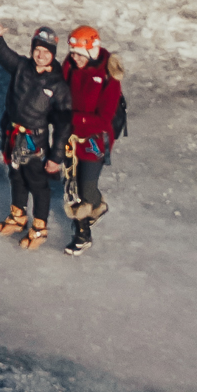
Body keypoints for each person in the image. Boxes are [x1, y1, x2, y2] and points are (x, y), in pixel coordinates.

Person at [0, 20, 74, 250]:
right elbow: (5, 56)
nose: (40, 55)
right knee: (16, 176)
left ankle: (40, 228)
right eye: (37, 50)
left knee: (37, 182)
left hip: (35, 140)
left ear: (53, 54)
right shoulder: (22, 67)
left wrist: (56, 157)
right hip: (14, 134)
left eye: (46, 51)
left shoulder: (58, 85)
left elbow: (64, 124)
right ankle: (17, 216)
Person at [62, 24, 124, 255]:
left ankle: (97, 205)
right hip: (70, 137)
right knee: (71, 187)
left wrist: (71, 118)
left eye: (79, 54)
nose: (75, 58)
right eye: (73, 53)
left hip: (94, 142)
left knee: (87, 188)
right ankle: (81, 234)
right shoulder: (69, 65)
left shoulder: (109, 77)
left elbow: (104, 119)